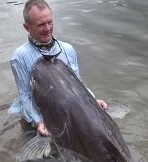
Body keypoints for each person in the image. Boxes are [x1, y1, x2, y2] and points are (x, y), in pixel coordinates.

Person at [8, 0, 107, 136]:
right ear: (27, 27)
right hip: (37, 113)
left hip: (68, 112)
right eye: (41, 24)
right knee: (33, 152)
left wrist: (92, 102)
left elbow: (78, 84)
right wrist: (38, 121)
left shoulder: (68, 49)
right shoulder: (19, 57)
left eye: (50, 22)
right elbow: (25, 95)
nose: (47, 28)